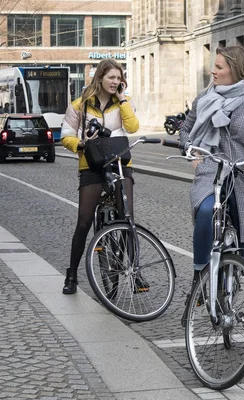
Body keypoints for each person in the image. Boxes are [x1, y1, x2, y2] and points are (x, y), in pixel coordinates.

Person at [179, 45, 244, 360]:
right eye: (214, 66)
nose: (213, 71)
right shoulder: (204, 98)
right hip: (211, 173)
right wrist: (191, 152)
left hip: (243, 178)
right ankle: (199, 278)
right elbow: (185, 131)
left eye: (219, 66)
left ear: (235, 68)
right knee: (207, 211)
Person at [59, 59, 140, 295]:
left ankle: (133, 270)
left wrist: (123, 100)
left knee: (128, 217)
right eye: (111, 78)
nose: (116, 82)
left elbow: (133, 127)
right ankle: (72, 274)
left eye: (119, 78)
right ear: (100, 78)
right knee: (84, 221)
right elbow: (65, 135)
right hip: (91, 165)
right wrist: (81, 144)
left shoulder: (123, 102)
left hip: (120, 163)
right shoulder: (80, 105)